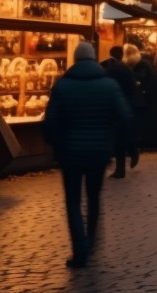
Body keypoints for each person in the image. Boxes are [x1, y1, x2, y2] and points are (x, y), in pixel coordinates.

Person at [42, 41, 132, 268]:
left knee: (72, 201)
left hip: (70, 153)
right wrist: (113, 140)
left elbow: (50, 122)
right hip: (98, 152)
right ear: (93, 59)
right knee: (93, 197)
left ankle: (79, 249)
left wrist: (57, 145)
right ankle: (91, 241)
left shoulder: (62, 86)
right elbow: (126, 117)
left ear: (75, 60)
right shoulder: (109, 85)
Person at [101, 45, 139, 178]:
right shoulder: (127, 69)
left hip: (116, 106)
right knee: (123, 134)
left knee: (118, 138)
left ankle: (120, 169)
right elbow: (133, 87)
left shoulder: (108, 69)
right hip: (127, 104)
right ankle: (133, 151)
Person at [126, 46, 157, 151]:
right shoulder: (145, 64)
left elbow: (142, 80)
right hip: (149, 99)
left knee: (144, 122)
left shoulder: (141, 66)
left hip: (146, 99)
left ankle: (145, 143)